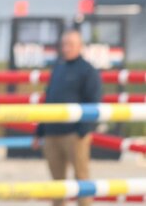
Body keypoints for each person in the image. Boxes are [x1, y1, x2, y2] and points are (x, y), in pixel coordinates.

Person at [31, 29, 102, 206]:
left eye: (70, 44)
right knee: (56, 183)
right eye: (63, 44)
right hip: (51, 133)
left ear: (80, 46)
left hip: (74, 134)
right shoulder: (58, 68)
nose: (66, 48)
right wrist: (40, 131)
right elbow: (48, 99)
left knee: (81, 178)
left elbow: (94, 100)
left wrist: (82, 131)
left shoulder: (88, 70)